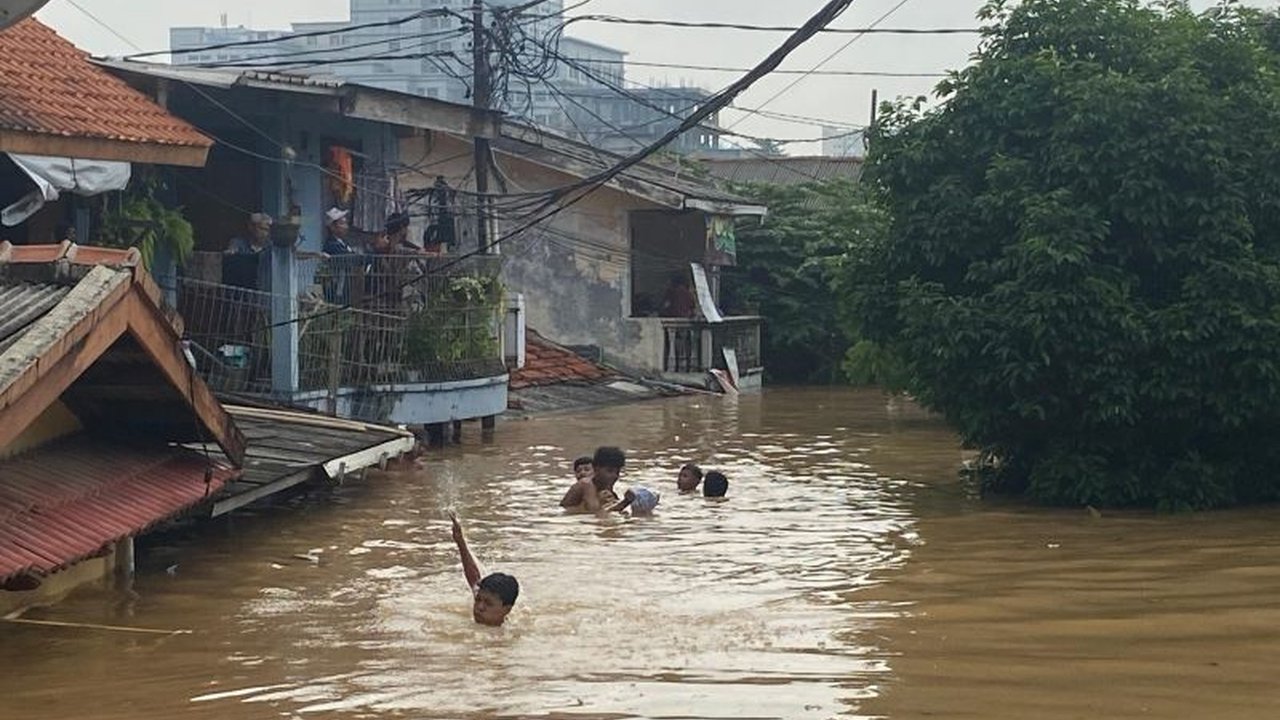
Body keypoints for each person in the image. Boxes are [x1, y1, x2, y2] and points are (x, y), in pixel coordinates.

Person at [449, 511, 519, 627]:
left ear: (506, 610)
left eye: (488, 604)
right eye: (477, 600)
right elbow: (474, 577)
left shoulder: (508, 636)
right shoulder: (483, 597)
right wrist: (460, 543)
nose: (479, 607)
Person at [559, 446, 625, 512]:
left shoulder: (607, 489)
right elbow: (595, 512)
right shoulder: (586, 484)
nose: (614, 476)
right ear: (596, 468)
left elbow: (613, 510)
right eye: (609, 471)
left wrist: (626, 501)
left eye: (617, 472)